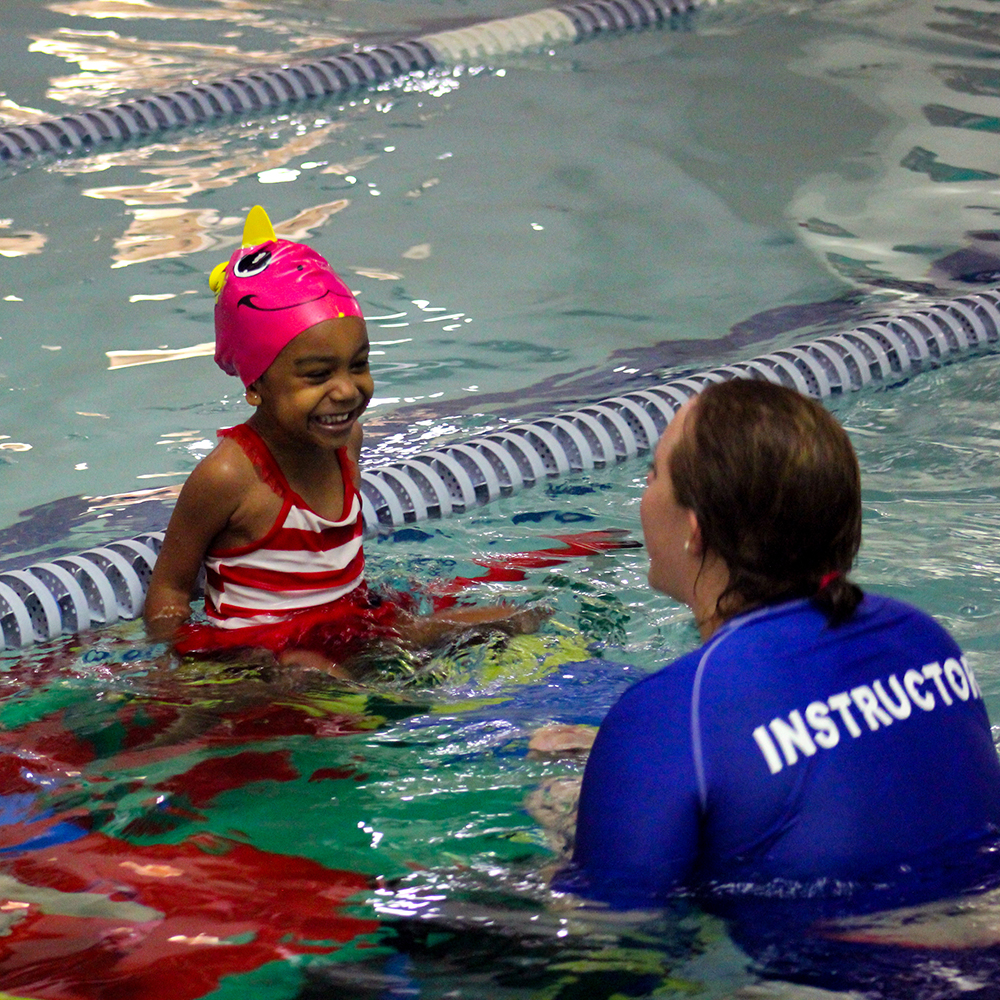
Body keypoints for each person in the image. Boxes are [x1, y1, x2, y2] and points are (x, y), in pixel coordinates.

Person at [554, 378, 1000, 917]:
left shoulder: (668, 716)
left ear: (695, 530)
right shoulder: (923, 638)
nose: (643, 493)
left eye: (652, 474)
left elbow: (608, 940)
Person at [144, 205, 538, 673]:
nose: (347, 390)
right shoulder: (230, 476)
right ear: (255, 385)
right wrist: (191, 663)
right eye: (317, 374)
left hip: (350, 628)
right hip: (261, 659)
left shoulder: (347, 441)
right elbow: (168, 590)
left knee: (514, 618)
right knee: (311, 672)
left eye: (359, 364)